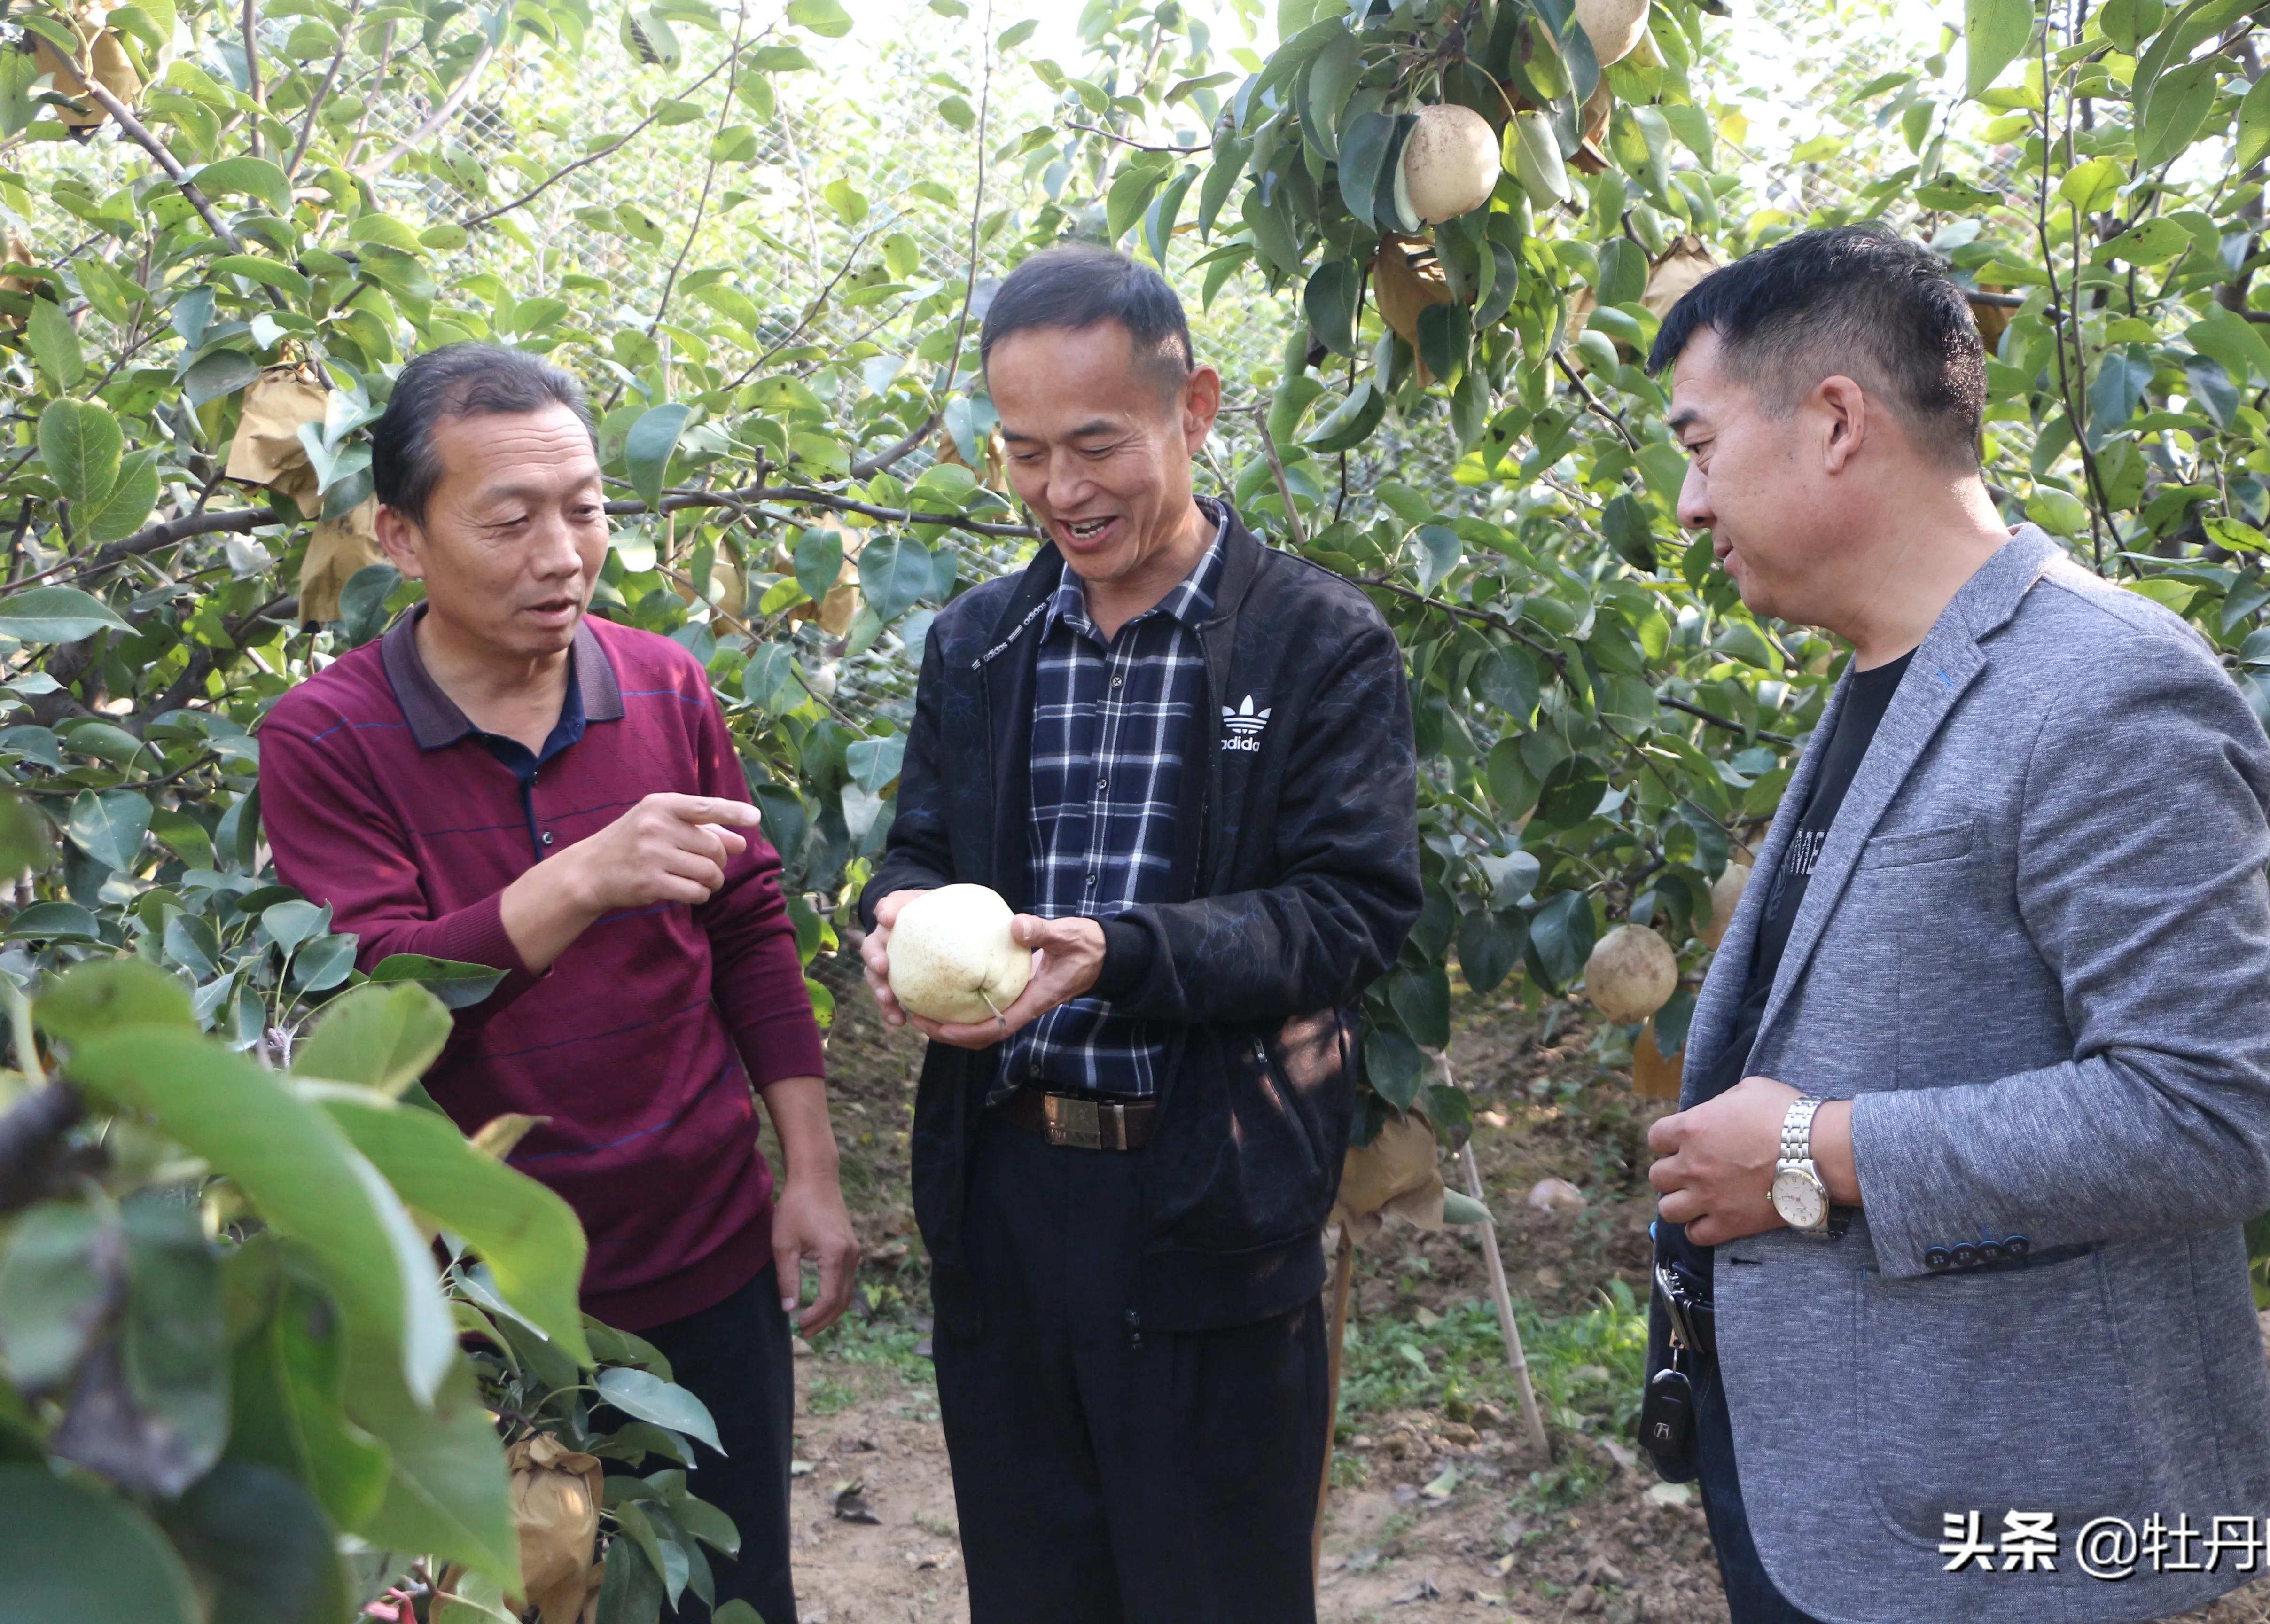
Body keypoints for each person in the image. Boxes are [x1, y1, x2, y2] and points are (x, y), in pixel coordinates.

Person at [1634, 224, 2270, 1624]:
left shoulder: (2107, 693)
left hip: (2012, 1521)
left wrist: (1818, 1151)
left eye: (1699, 447)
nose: (1691, 506)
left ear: (1833, 421)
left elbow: (2210, 1113)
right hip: (1843, 1481)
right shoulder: (1893, 676)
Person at [856, 243, 1421, 1624]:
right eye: (1025, 452)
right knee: (1035, 1585)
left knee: (1214, 1590)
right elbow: (922, 851)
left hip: (1210, 1206)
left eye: (1096, 445)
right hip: (1008, 1207)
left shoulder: (1315, 644)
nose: (1061, 490)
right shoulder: (980, 643)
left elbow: (1352, 911)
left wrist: (1121, 953)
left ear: (1197, 407)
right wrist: (895, 924)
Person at [259, 343, 859, 1624]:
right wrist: (583, 877)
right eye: (510, 519)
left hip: (704, 1262)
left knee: (731, 1593)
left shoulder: (664, 685)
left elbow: (749, 924)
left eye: (585, 508)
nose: (561, 554)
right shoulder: (326, 740)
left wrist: (806, 1169)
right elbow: (377, 1002)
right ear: (401, 538)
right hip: (475, 1308)